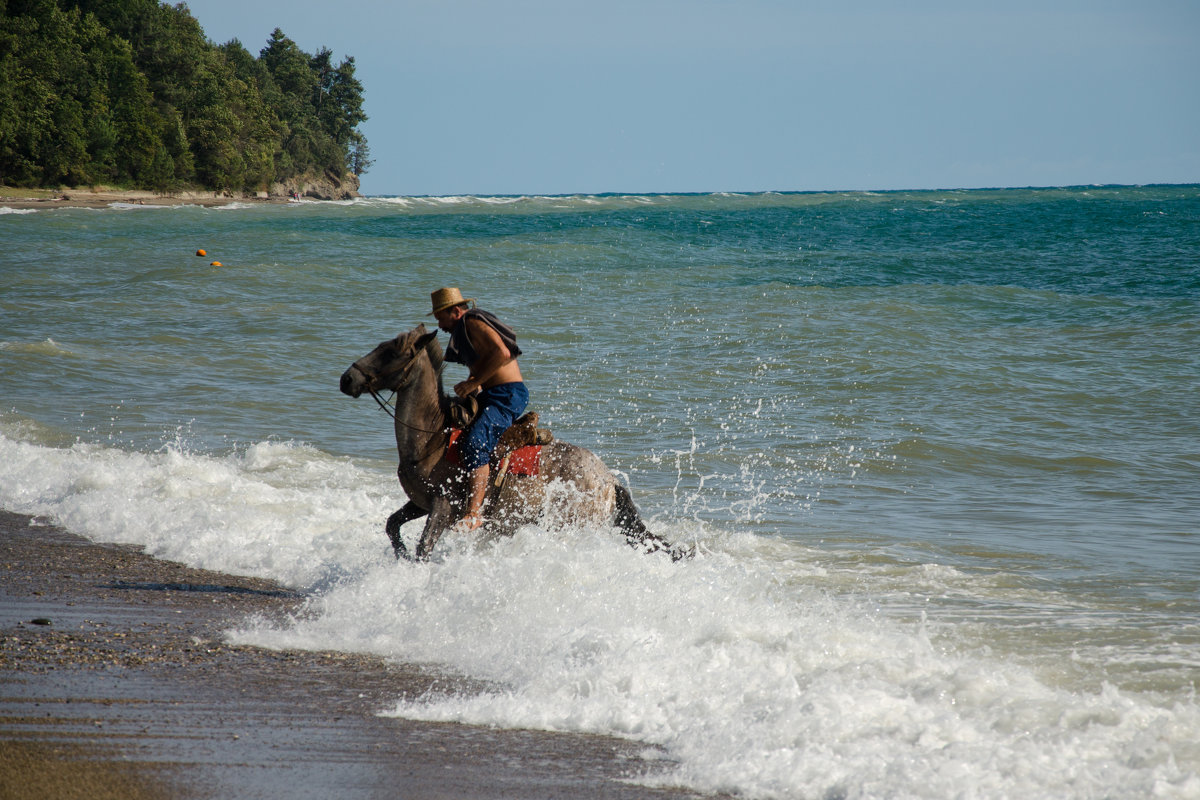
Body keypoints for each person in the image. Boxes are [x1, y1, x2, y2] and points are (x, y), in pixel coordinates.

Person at [429, 287, 528, 530]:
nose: (440, 325)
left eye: (441, 318)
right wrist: (472, 387)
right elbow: (483, 364)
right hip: (492, 394)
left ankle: (474, 514)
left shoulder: (471, 321)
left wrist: (473, 383)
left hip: (507, 395)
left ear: (455, 311)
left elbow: (501, 353)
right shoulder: (464, 332)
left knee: (475, 444)